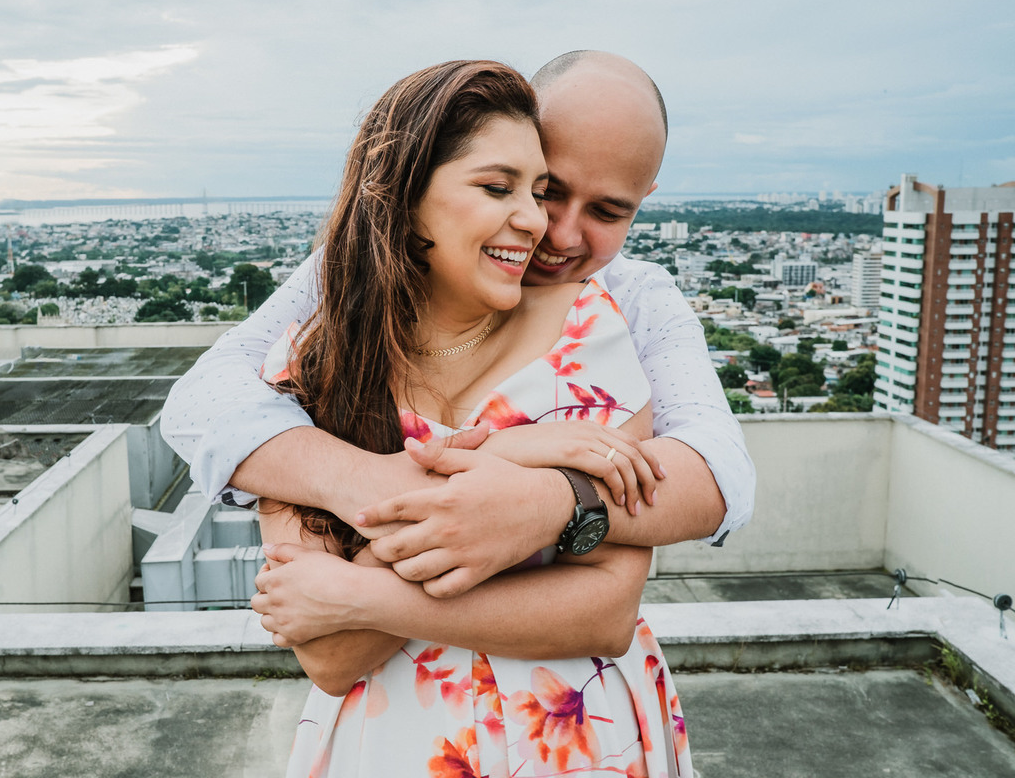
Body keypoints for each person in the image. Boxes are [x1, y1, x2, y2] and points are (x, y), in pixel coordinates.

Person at [161, 50, 754, 599]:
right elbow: (201, 400)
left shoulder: (633, 298)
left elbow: (719, 471)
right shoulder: (364, 268)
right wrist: (369, 480)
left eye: (607, 211)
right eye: (547, 190)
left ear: (644, 199)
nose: (558, 232)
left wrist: (550, 501)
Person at [249, 59, 690, 777]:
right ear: (405, 195)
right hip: (395, 745)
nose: (542, 225)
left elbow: (606, 612)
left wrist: (359, 593)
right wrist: (514, 455)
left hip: (575, 742)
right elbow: (330, 656)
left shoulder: (590, 333)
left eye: (535, 190)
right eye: (500, 188)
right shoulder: (313, 367)